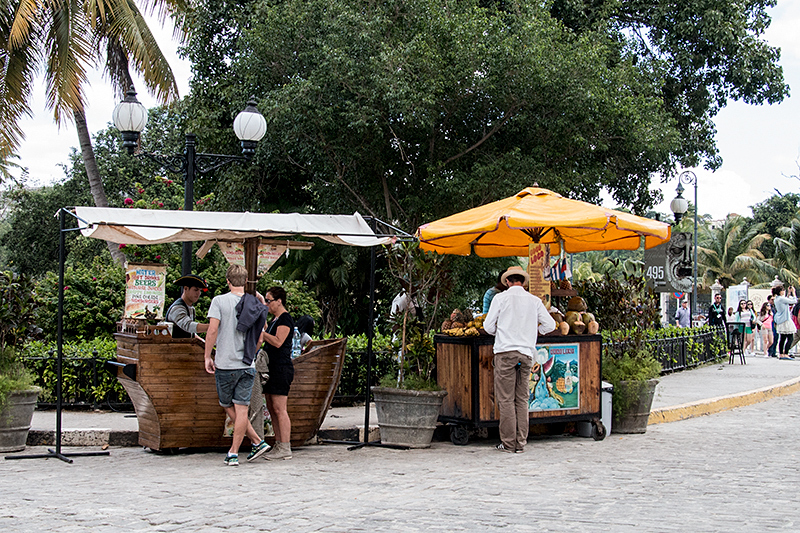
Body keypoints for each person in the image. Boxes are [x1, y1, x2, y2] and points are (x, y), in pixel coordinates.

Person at [484, 265, 556, 453]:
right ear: (523, 282)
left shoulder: (500, 298)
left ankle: (508, 443)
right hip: (526, 355)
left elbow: (488, 326)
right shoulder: (534, 301)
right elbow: (550, 324)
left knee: (506, 400)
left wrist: (499, 332)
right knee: (522, 399)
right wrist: (536, 332)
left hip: (505, 353)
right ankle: (521, 443)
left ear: (507, 282)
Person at [204, 265, 269, 466]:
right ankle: (253, 443)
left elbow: (212, 330)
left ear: (228, 281)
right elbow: (261, 335)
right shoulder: (254, 304)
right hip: (247, 364)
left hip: (225, 364)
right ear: (246, 280)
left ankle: (237, 450)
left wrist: (207, 355)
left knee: (226, 404)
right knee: (242, 410)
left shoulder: (219, 301)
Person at [259, 286, 296, 460]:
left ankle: (285, 445)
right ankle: (278, 442)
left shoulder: (285, 319)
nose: (267, 304)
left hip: (281, 367)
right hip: (271, 367)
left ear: (279, 301)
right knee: (272, 407)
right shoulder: (274, 319)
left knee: (280, 408)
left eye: (269, 300)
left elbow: (278, 341)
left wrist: (262, 334)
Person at [165, 274, 210, 338]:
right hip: (174, 347)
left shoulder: (191, 309)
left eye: (200, 290)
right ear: (186, 288)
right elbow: (189, 326)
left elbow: (191, 334)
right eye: (196, 290)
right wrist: (212, 327)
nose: (198, 293)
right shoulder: (177, 308)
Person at [772, 285, 797, 360]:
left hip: (780, 319)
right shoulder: (781, 299)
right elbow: (794, 301)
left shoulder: (777, 299)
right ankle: (786, 353)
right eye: (783, 290)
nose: (784, 291)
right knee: (790, 338)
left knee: (782, 338)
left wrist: (789, 293)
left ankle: (781, 354)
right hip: (785, 319)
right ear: (780, 291)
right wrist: (794, 292)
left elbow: (786, 299)